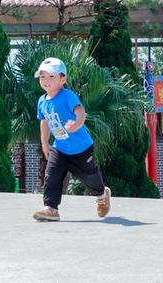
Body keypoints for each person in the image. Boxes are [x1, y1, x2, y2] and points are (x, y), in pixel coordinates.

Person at [32, 58, 111, 222]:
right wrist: (45, 143)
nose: (46, 81)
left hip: (81, 148)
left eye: (51, 77)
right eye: (42, 77)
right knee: (51, 176)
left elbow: (81, 112)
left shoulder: (67, 96)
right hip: (59, 148)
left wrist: (76, 124)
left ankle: (102, 195)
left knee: (89, 177)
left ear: (63, 79)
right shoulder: (42, 101)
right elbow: (44, 122)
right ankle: (51, 208)